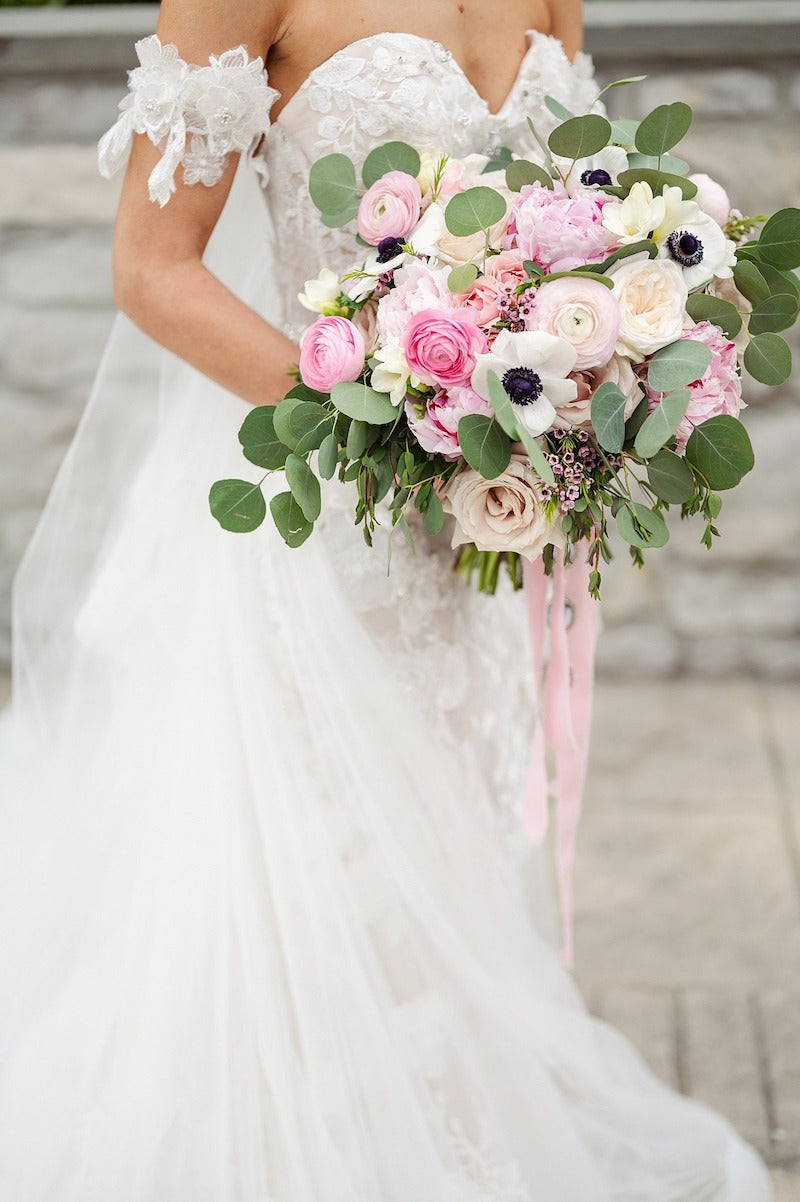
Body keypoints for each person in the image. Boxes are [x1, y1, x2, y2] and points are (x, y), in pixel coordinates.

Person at [0, 1, 774, 1198]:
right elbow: (152, 268)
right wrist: (401, 430)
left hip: (467, 536)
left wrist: (597, 378)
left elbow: (573, 221)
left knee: (440, 849)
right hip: (316, 514)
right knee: (316, 868)